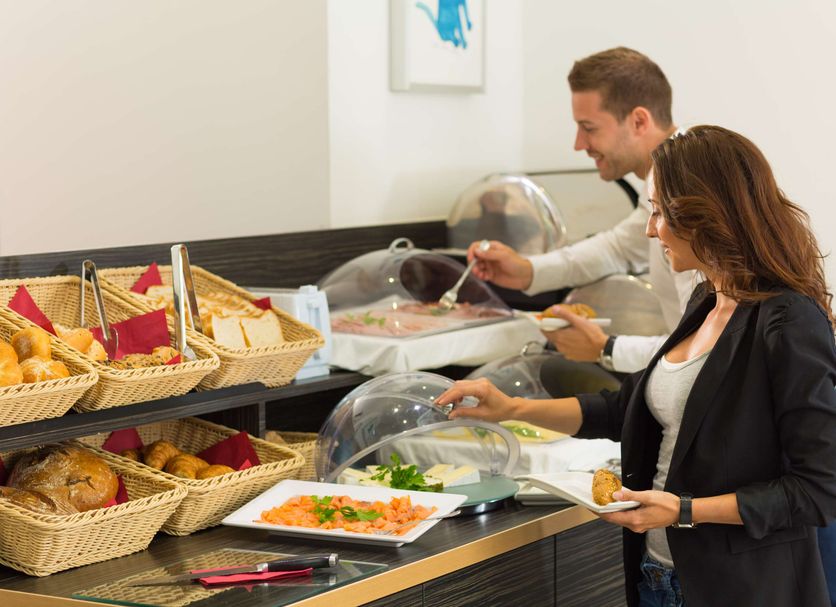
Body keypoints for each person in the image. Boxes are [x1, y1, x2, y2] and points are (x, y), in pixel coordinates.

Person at [440, 126, 836, 606]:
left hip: (741, 588)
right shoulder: (705, 300)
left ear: (705, 215)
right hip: (659, 576)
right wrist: (511, 409)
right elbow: (623, 409)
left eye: (659, 212)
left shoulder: (789, 320)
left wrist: (684, 510)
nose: (651, 229)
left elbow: (818, 489)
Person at [466, 47, 697, 373]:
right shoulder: (668, 174)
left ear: (639, 121)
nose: (579, 144)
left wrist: (606, 348)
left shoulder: (686, 184)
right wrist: (528, 271)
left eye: (589, 128)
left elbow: (707, 344)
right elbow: (618, 248)